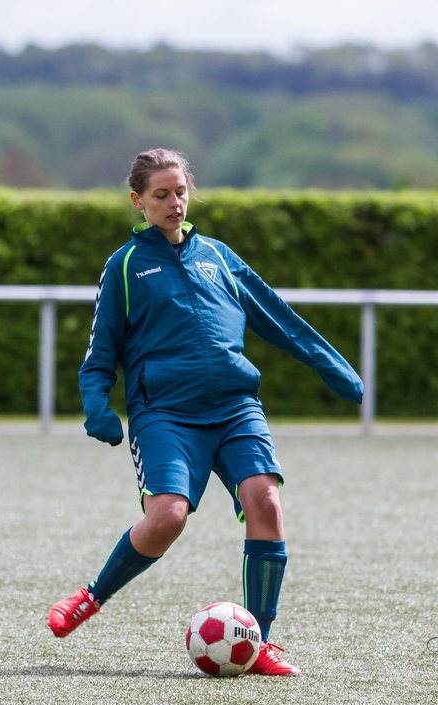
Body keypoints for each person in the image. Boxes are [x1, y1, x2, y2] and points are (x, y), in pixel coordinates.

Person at [46, 148, 363, 676]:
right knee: (167, 516)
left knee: (266, 501)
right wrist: (96, 406)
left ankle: (258, 642)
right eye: (161, 195)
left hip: (236, 409)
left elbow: (277, 318)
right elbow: (99, 353)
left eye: (181, 192)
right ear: (138, 202)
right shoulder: (124, 267)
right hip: (164, 414)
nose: (174, 203)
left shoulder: (218, 256)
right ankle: (92, 596)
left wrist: (332, 365)